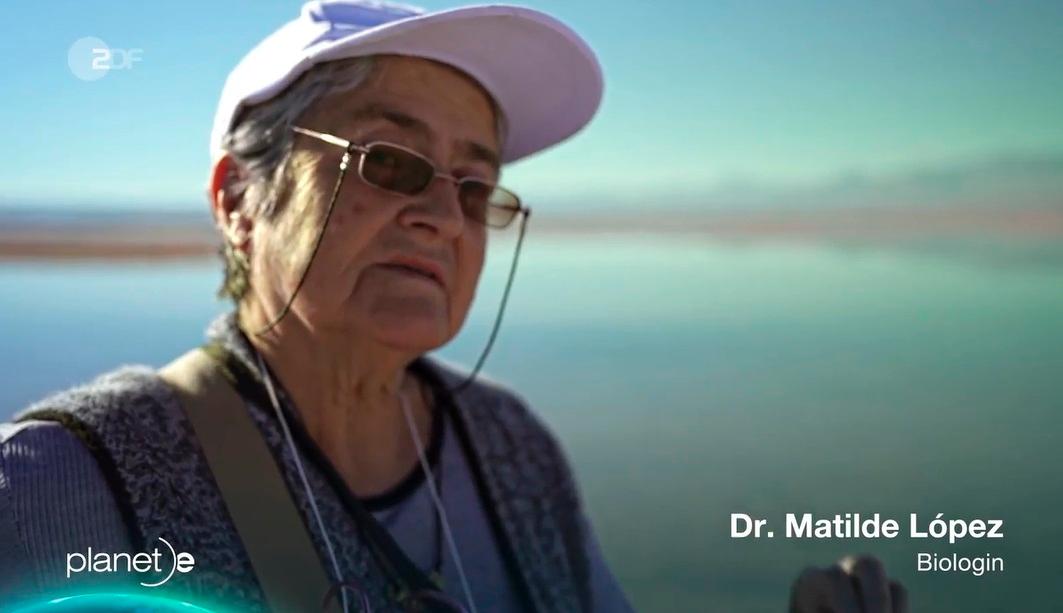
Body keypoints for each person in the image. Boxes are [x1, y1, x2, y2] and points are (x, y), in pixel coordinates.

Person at [0, 1, 906, 611]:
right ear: (239, 200)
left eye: (476, 185)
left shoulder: (512, 446)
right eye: (389, 162)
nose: (441, 215)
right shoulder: (70, 481)